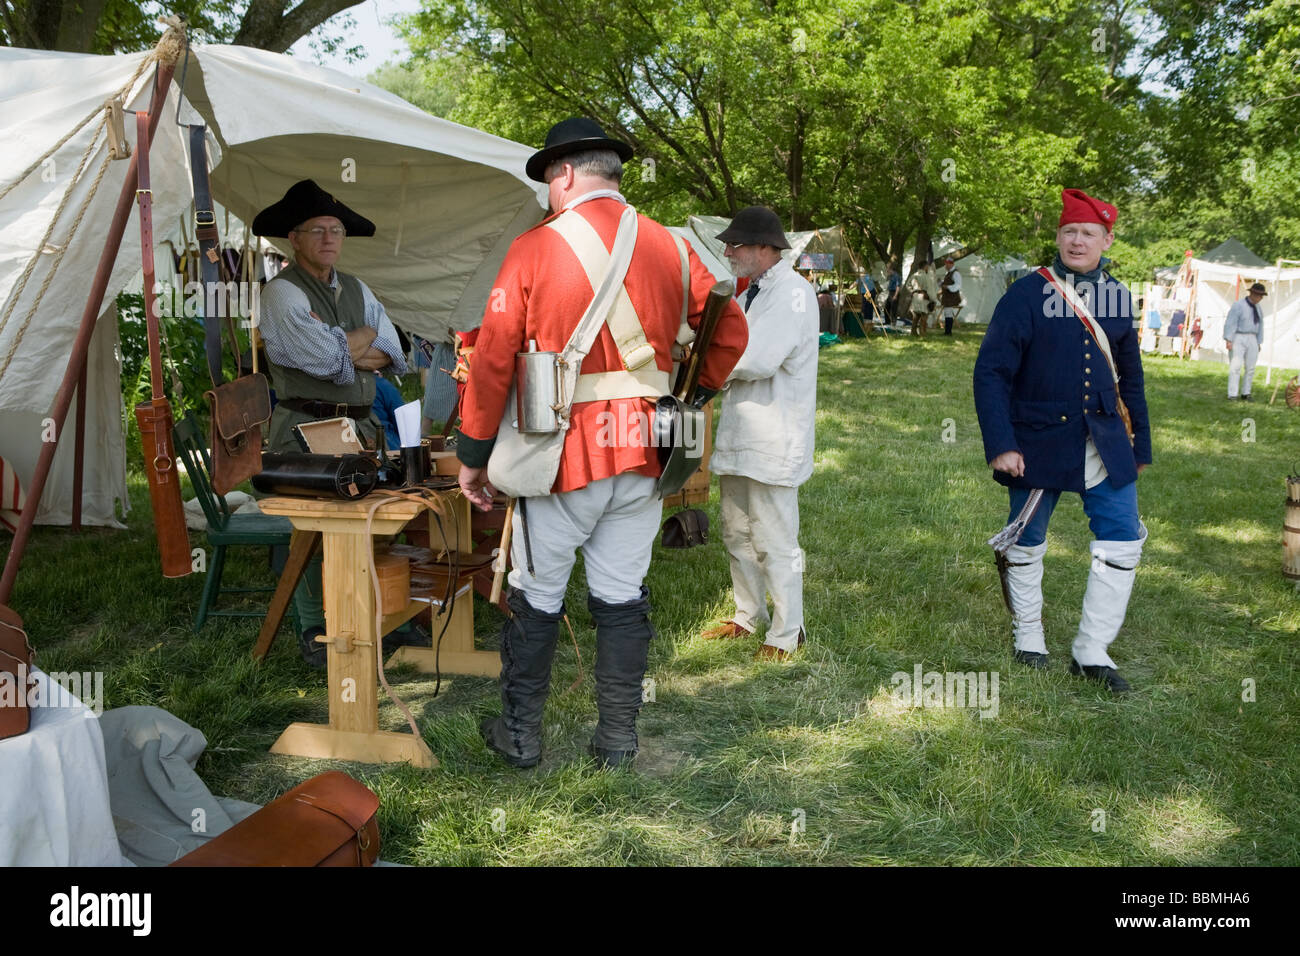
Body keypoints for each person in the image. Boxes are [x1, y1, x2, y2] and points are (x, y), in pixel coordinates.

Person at [455, 118, 748, 769]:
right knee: (621, 594)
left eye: (548, 181)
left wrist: (473, 457)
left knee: (537, 593)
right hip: (648, 448)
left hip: (563, 453)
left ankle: (521, 736)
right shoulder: (674, 247)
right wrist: (691, 396)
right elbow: (730, 333)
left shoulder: (535, 247)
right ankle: (617, 741)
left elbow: (493, 360)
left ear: (563, 174)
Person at [973, 188, 1152, 693]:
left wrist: (1140, 446)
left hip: (1105, 440)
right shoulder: (1026, 293)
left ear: (1106, 240)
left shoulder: (1118, 296)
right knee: (1025, 539)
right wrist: (1002, 443)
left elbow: (1131, 377)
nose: (1077, 241)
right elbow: (991, 373)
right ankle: (1029, 635)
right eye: (1069, 231)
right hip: (1036, 439)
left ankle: (1091, 651)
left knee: (1122, 538)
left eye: (1088, 233)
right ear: (1058, 237)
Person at [253, 179, 409, 667]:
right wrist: (357, 341)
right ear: (294, 239)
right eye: (316, 230)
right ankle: (315, 629)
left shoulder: (357, 288)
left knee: (376, 523)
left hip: (358, 431)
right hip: (304, 429)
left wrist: (344, 343)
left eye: (336, 230)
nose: (328, 239)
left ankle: (370, 617)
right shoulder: (281, 294)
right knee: (312, 532)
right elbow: (323, 362)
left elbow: (393, 352)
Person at [701, 206, 819, 661]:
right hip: (743, 431)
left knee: (774, 537)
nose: (728, 251)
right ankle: (748, 615)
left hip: (774, 434)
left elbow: (758, 358)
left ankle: (788, 633)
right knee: (736, 531)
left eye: (736, 244)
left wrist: (699, 362)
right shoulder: (750, 292)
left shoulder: (793, 293)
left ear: (766, 248)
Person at [1224, 282, 1267, 401]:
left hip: (1252, 336)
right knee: (1236, 366)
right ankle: (1232, 393)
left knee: (1250, 367)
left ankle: (1246, 392)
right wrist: (1229, 339)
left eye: (1261, 296)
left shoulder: (1258, 308)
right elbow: (1231, 322)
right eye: (1258, 295)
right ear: (1252, 294)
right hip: (1239, 335)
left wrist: (1258, 341)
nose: (1260, 298)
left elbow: (1260, 325)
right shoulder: (1239, 305)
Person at [906, 261, 937, 336]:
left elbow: (908, 285)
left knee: (916, 316)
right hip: (924, 297)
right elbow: (930, 289)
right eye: (927, 266)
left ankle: (913, 332)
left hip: (916, 297)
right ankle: (922, 333)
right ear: (925, 266)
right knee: (924, 315)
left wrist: (913, 291)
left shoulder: (914, 275)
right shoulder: (927, 277)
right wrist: (932, 298)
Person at [940, 257, 963, 334]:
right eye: (945, 264)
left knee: (948, 312)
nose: (946, 266)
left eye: (947, 264)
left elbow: (958, 285)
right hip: (947, 296)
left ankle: (948, 332)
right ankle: (947, 331)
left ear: (952, 264)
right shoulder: (948, 273)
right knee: (947, 313)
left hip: (952, 296)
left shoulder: (956, 273)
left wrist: (947, 287)